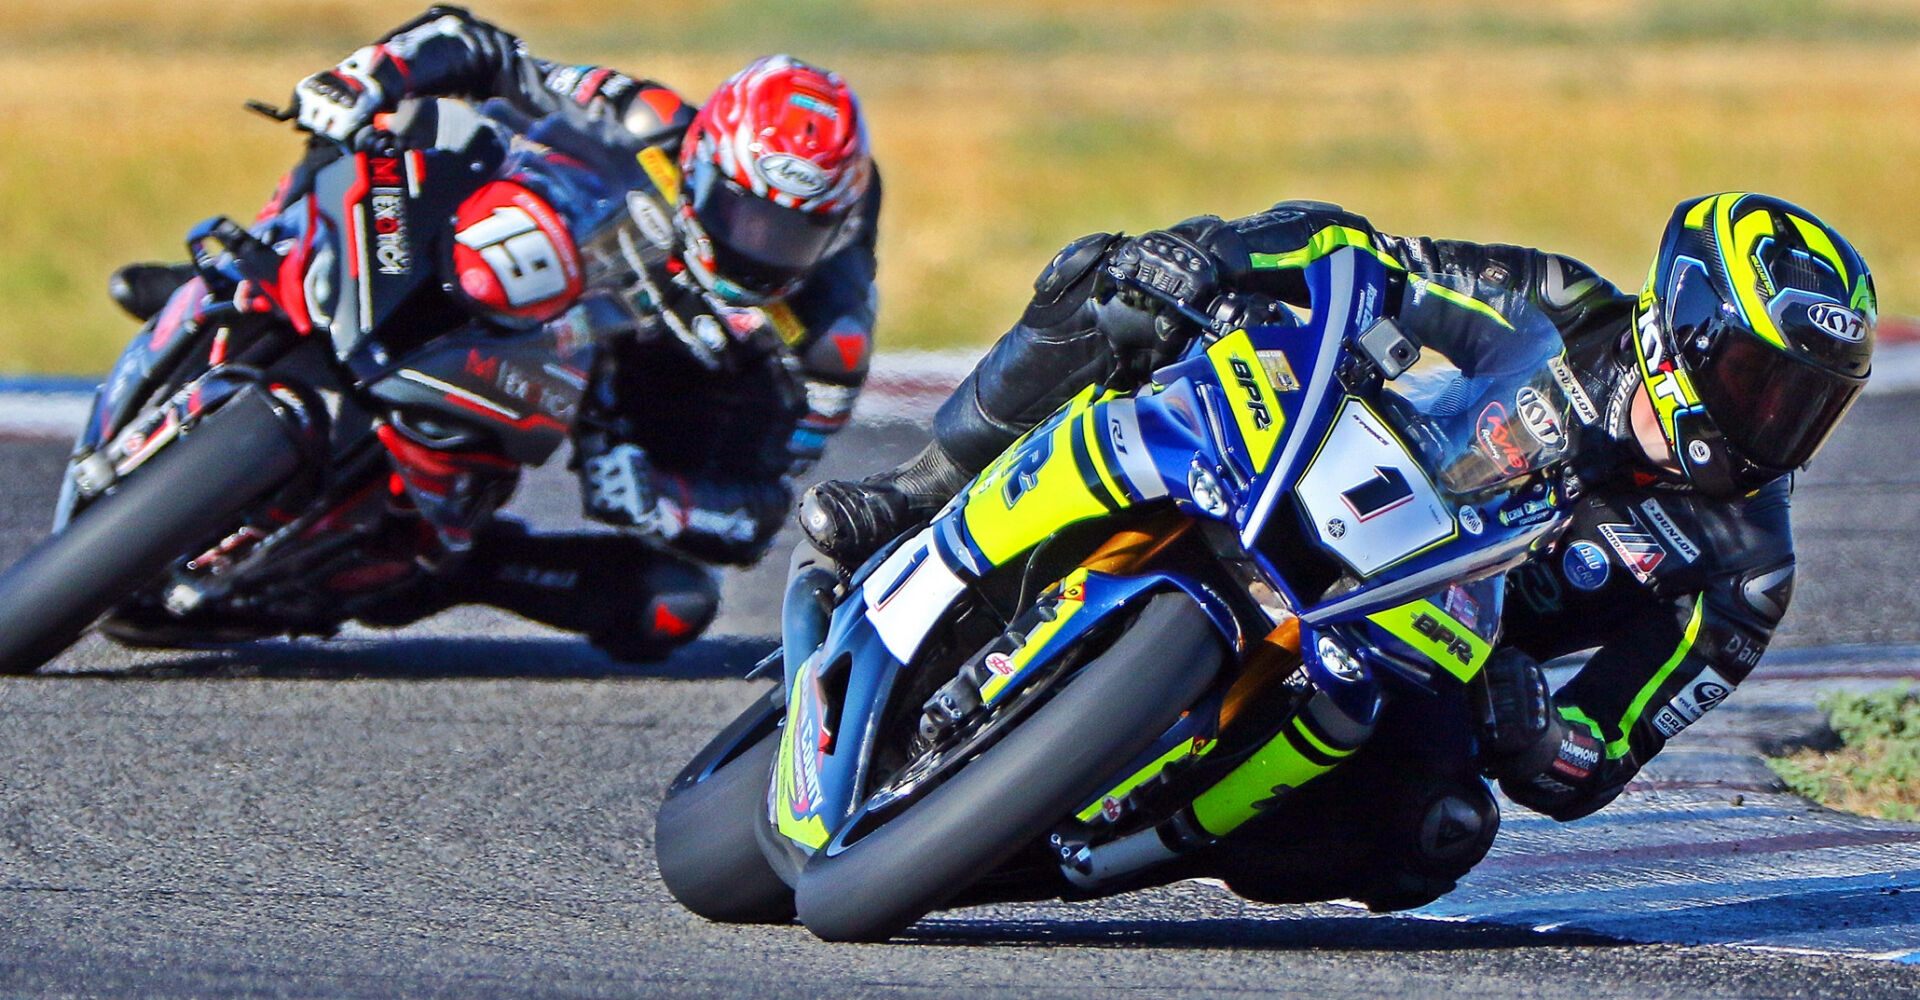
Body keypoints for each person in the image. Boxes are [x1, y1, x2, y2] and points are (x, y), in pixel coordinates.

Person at [799, 192, 1874, 902]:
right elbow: (1366, 260)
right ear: (1679, 322)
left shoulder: (1742, 573)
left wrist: (1537, 726)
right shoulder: (1561, 302)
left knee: (1439, 835)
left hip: (1424, 646)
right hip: (1318, 466)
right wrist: (1219, 256)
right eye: (1758, 378)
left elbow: (1593, 765)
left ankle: (1150, 830)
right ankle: (910, 499)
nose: (1775, 421)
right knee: (1113, 280)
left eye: (1807, 406)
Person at [110, 6, 880, 660]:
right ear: (708, 158)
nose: (757, 244)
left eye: (789, 233)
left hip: (606, 407)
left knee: (670, 604)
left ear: (833, 227)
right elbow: (481, 48)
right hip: (505, 273)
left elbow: (760, 508)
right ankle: (269, 262)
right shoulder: (648, 118)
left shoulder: (825, 338)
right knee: (398, 125)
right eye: (744, 212)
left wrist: (658, 496)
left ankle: (437, 563)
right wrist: (366, 78)